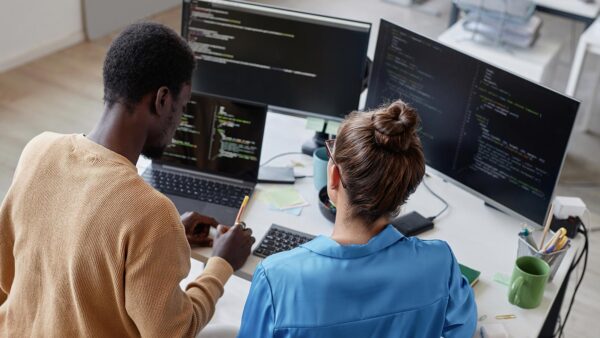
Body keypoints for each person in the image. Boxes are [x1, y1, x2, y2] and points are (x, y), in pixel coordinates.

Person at [0, 22, 254, 337]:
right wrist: (221, 264)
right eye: (182, 106)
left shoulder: (38, 149)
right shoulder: (150, 213)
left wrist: (164, 239)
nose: (179, 121)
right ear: (162, 100)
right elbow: (173, 332)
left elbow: (7, 279)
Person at [237, 100, 477, 338]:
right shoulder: (440, 263)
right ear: (403, 188)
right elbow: (462, 330)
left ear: (333, 177)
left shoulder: (276, 279)